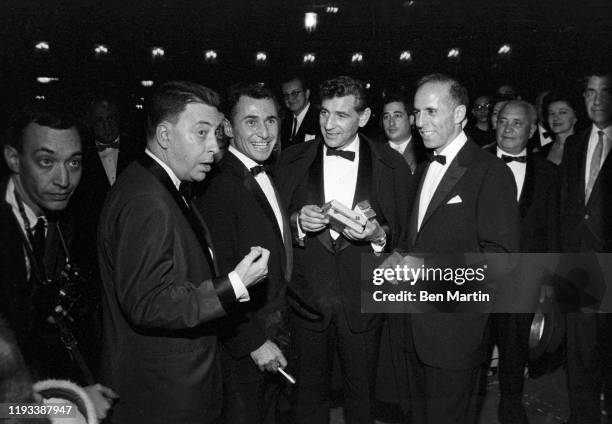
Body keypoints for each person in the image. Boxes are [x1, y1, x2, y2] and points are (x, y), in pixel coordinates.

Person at [97, 81, 270, 424]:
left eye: (216, 134)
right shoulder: (146, 200)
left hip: (177, 386)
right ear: (164, 135)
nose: (214, 148)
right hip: (164, 395)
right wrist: (235, 284)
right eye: (201, 133)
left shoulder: (160, 184)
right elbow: (148, 302)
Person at [276, 75, 412, 424]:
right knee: (307, 402)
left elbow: (405, 237)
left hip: (364, 303)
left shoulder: (392, 165)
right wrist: (296, 225)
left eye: (341, 115)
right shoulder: (291, 160)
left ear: (363, 117)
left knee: (362, 400)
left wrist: (378, 236)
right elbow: (272, 227)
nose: (328, 124)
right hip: (307, 303)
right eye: (324, 113)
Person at [389, 74, 519, 424]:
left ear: (461, 113)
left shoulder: (490, 172)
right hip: (412, 332)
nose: (419, 122)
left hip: (455, 338)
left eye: (431, 111)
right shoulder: (422, 168)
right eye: (416, 112)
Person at [1, 101, 117, 421]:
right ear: (13, 158)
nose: (63, 179)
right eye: (46, 161)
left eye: (74, 163)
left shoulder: (60, 218)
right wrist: (71, 401)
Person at [194, 82, 291, 424]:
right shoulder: (218, 185)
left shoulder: (264, 171)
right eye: (251, 122)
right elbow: (215, 275)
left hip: (273, 331)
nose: (264, 132)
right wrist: (253, 342)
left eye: (271, 120)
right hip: (245, 343)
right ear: (228, 128)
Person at [488, 100, 560, 424]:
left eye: (517, 124)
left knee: (515, 347)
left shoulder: (549, 175)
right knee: (472, 346)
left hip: (524, 277)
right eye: (503, 121)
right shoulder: (475, 164)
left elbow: (554, 232)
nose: (508, 129)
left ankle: (510, 405)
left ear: (531, 131)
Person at [560, 68, 612, 424]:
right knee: (580, 353)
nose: (597, 100)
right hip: (579, 264)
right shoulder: (575, 143)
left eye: (605, 92)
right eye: (590, 92)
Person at [381, 92, 424, 174]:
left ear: (411, 120)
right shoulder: (374, 154)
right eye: (386, 117)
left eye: (397, 116)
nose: (391, 123)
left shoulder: (424, 154)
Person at [280, 76, 321, 149]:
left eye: (295, 93)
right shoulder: (284, 122)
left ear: (307, 94)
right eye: (286, 95)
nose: (290, 99)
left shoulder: (320, 120)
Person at [542, 93, 580, 165]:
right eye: (551, 113)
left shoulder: (585, 148)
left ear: (575, 116)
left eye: (562, 112)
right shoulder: (542, 151)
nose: (555, 118)